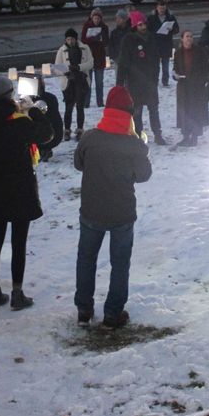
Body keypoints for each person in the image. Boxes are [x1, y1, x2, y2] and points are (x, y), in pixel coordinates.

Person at [73, 86, 153, 328]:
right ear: (129, 112)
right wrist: (142, 149)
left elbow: (79, 164)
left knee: (86, 259)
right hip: (121, 212)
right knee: (120, 263)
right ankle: (113, 313)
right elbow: (144, 175)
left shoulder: (90, 137)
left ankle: (84, 310)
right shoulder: (133, 143)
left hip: (91, 209)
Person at [0, 75, 56, 310]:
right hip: (19, 186)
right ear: (10, 94)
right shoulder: (18, 122)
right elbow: (47, 134)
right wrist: (33, 110)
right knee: (18, 242)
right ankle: (17, 293)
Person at [117, 11, 166, 144]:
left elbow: (156, 59)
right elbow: (123, 63)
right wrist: (120, 83)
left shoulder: (151, 38)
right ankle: (137, 135)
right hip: (135, 83)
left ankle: (157, 134)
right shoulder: (128, 40)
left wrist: (155, 78)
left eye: (144, 24)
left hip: (150, 82)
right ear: (134, 26)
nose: (143, 27)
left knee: (154, 109)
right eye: (140, 25)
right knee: (137, 111)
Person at [172, 30, 209, 147]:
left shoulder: (199, 51)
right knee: (184, 111)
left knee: (195, 111)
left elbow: (207, 68)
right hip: (183, 87)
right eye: (187, 36)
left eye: (191, 36)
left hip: (196, 87)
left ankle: (194, 136)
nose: (189, 38)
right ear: (182, 39)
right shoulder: (178, 53)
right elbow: (175, 69)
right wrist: (175, 75)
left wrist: (202, 81)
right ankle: (185, 136)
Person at [55, 28, 94, 141]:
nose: (70, 41)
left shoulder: (85, 48)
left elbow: (90, 63)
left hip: (81, 81)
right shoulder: (62, 50)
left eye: (72, 39)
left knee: (80, 107)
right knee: (68, 107)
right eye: (68, 39)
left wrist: (79, 67)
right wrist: (66, 71)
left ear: (76, 39)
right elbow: (57, 66)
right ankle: (67, 130)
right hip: (69, 82)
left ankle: (80, 129)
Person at [81, 8, 110, 107]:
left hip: (100, 57)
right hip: (89, 57)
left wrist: (100, 39)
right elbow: (83, 40)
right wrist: (92, 39)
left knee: (99, 82)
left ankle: (100, 102)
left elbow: (106, 42)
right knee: (87, 82)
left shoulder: (104, 27)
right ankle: (86, 103)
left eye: (98, 18)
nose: (96, 20)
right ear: (92, 18)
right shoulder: (87, 26)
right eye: (95, 18)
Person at [147, 1, 179, 88]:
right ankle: (154, 80)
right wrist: (155, 33)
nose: (162, 10)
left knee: (166, 64)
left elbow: (177, 29)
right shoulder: (151, 18)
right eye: (160, 8)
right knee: (155, 65)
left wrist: (171, 29)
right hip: (155, 43)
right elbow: (148, 30)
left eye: (163, 8)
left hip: (166, 43)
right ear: (157, 8)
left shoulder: (170, 17)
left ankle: (165, 81)